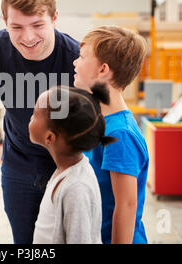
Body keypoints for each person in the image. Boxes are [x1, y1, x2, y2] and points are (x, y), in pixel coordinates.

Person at [0, 0, 80, 244]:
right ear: (4, 22)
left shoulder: (75, 59)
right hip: (18, 167)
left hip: (67, 167)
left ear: (55, 18)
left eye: (38, 25)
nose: (28, 37)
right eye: (16, 27)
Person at [73, 25, 149, 244]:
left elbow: (126, 205)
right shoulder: (101, 122)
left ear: (103, 69)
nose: (75, 62)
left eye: (82, 56)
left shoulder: (120, 134)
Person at [28, 84, 117, 244]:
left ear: (50, 137)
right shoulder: (66, 171)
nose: (30, 117)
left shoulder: (76, 189)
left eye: (35, 114)